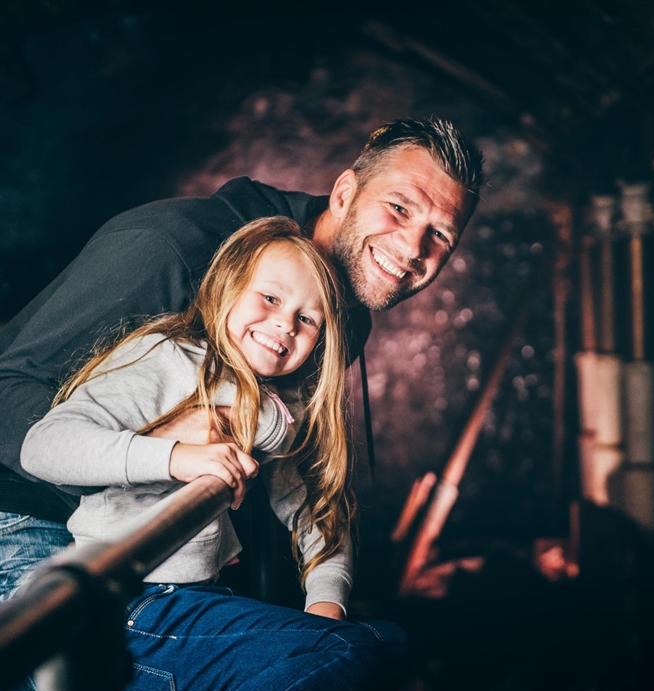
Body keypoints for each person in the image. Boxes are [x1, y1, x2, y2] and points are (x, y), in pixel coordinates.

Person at [0, 117, 485, 600]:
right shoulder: (172, 246)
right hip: (30, 517)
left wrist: (320, 595)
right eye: (399, 208)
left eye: (441, 235)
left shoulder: (345, 314)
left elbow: (279, 464)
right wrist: (153, 447)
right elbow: (7, 395)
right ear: (343, 194)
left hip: (166, 541)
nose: (412, 247)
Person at [16, 216, 387, 691]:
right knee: (358, 650)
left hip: (194, 596)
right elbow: (41, 447)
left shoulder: (273, 411)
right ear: (228, 287)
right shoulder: (169, 357)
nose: (284, 324)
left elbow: (316, 515)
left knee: (375, 642)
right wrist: (178, 456)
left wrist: (325, 606)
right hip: (129, 600)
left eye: (307, 319)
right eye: (270, 298)